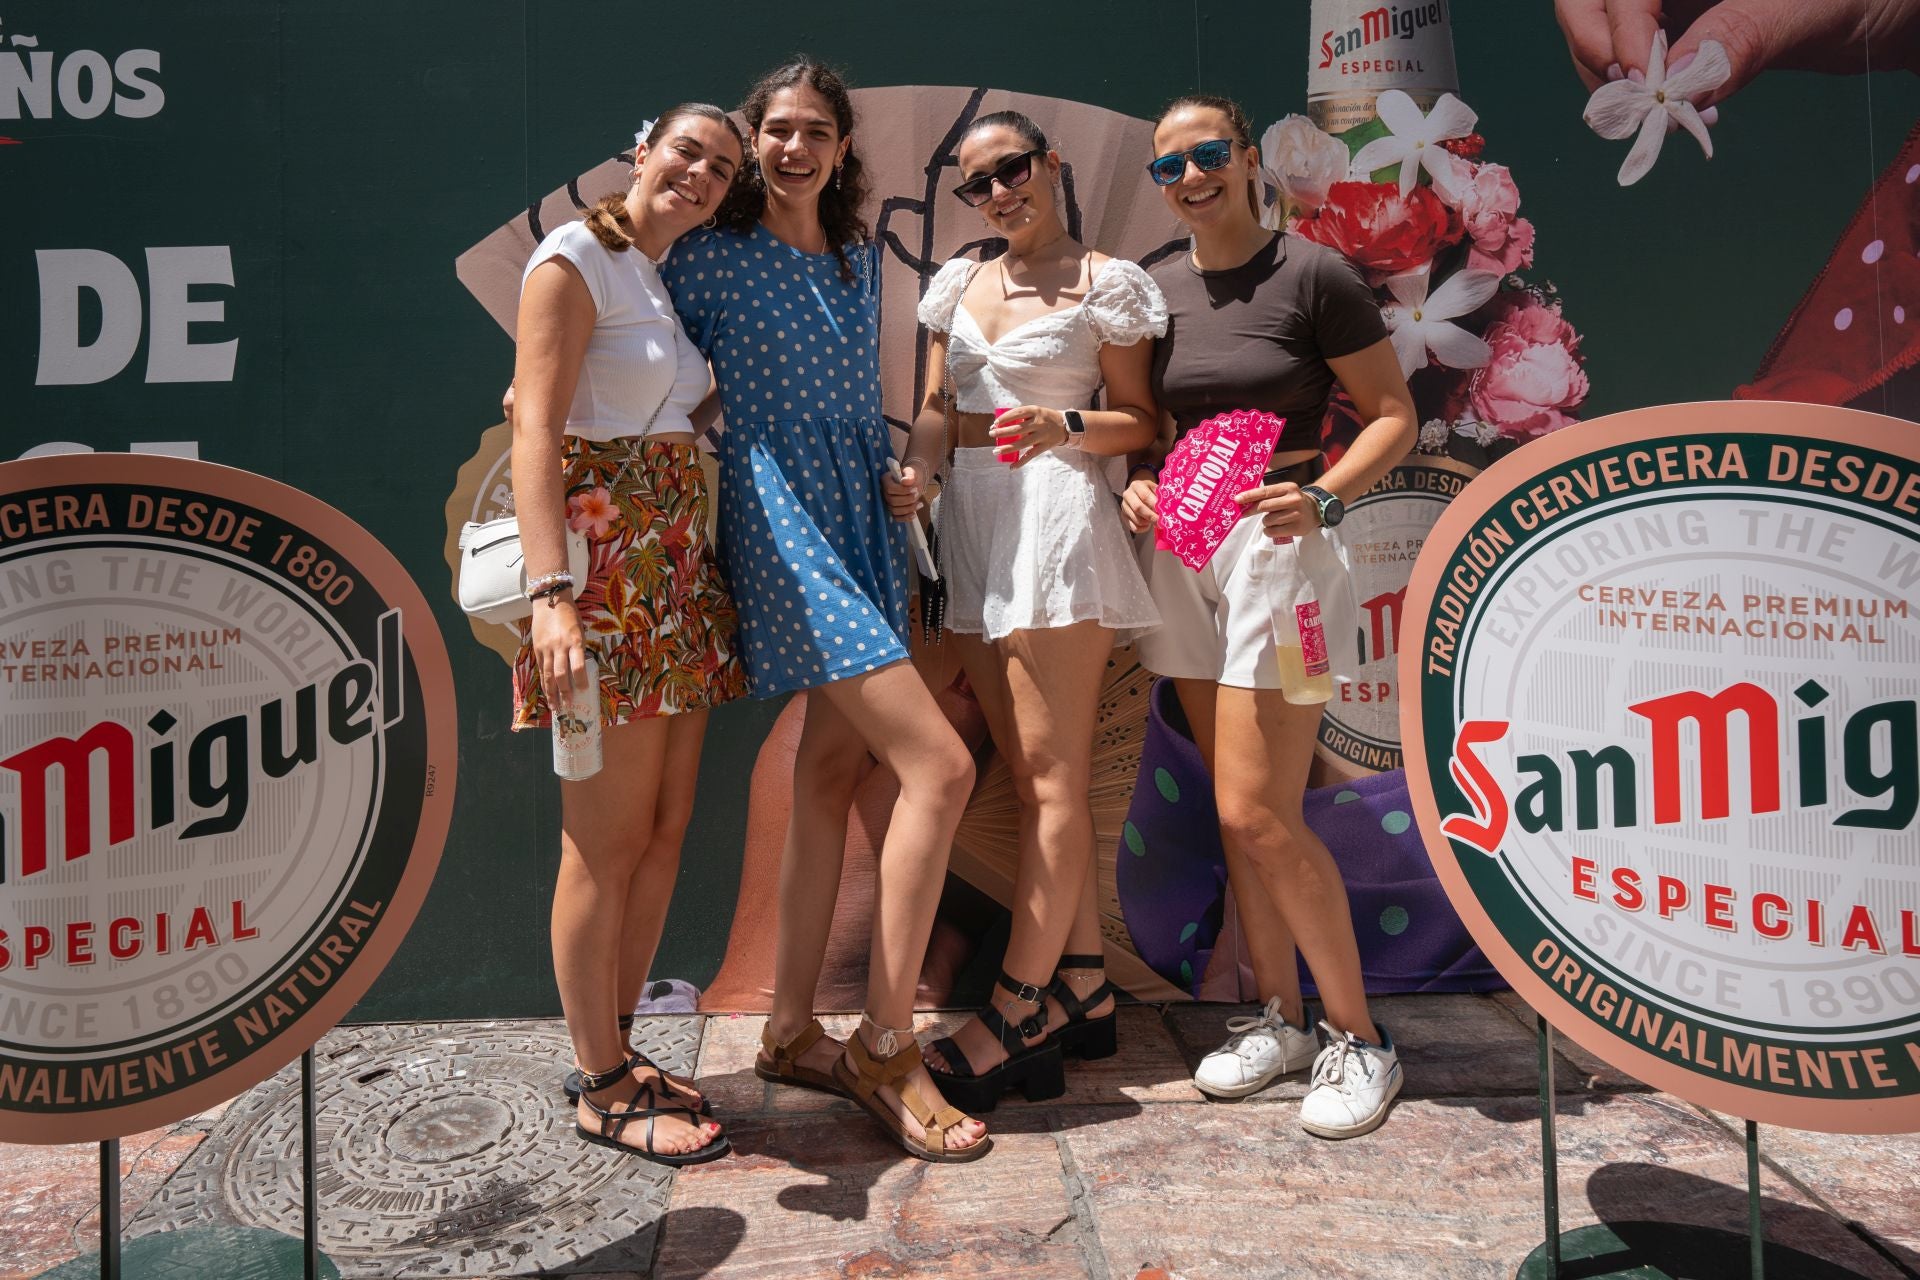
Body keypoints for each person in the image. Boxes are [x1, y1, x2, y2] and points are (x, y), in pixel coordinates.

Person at [662, 58, 989, 1163]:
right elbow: (634, 340)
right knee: (939, 768)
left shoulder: (855, 259)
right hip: (779, 525)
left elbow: (856, 400)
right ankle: (886, 1043)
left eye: (814, 130)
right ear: (754, 145)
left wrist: (901, 481)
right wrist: (546, 383)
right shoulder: (710, 255)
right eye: (777, 130)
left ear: (843, 147)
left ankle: (792, 1025)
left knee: (827, 773)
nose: (793, 147)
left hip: (861, 515)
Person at [1121, 94, 1418, 1138]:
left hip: (1283, 557)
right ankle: (1283, 1018)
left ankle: (1362, 1037)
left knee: (1261, 811)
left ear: (1247, 159)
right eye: (1172, 165)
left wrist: (1329, 494)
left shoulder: (1313, 273)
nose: (1193, 176)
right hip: (1184, 556)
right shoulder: (1151, 289)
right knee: (1235, 808)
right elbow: (1148, 425)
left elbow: (1393, 414)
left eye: (1209, 155)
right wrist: (1136, 478)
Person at [885, 111, 1163, 1111]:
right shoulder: (957, 282)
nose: (998, 191)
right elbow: (933, 407)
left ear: (1051, 166)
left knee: (1052, 782)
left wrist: (1070, 422)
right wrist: (916, 471)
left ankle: (1013, 1010)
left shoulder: (1110, 284)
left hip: (1056, 523)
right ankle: (1085, 989)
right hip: (968, 528)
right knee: (1031, 768)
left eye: (1011, 169)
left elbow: (1143, 418)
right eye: (977, 183)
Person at [509, 105, 748, 1164]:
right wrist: (552, 591)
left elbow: (663, 411)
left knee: (661, 828)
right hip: (602, 576)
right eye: (687, 151)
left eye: (722, 167)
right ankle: (601, 1081)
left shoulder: (652, 273)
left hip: (673, 569)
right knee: (602, 841)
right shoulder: (573, 257)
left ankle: (615, 1046)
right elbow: (536, 427)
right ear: (642, 150)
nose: (701, 173)